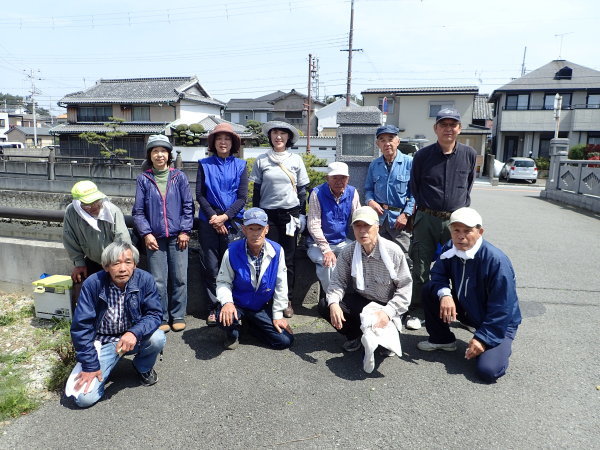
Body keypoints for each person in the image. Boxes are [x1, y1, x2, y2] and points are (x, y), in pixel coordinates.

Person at [417, 207, 522, 383]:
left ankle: (498, 344)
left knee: (488, 371)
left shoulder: (496, 261)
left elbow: (502, 308)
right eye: (456, 230)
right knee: (430, 290)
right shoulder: (450, 247)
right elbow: (438, 274)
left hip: (498, 321)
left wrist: (482, 339)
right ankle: (442, 340)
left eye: (467, 231)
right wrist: (445, 295)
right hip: (468, 307)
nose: (461, 236)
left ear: (480, 232)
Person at [68, 242, 166, 408]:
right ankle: (103, 364)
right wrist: (90, 365)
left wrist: (134, 333)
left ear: (134, 264)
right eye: (116, 263)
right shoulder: (93, 284)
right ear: (106, 267)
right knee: (83, 399)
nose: (122, 269)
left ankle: (142, 367)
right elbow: (81, 327)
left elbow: (155, 314)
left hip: (132, 338)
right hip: (102, 342)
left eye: (128, 262)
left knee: (157, 338)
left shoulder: (145, 280)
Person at [409, 108, 477, 317]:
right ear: (435, 128)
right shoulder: (422, 155)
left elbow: (468, 186)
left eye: (452, 125)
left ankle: (461, 310)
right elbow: (415, 186)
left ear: (459, 128)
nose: (448, 129)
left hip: (456, 220)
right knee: (420, 266)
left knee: (460, 264)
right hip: (427, 216)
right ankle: (419, 310)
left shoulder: (469, 154)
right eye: (444, 125)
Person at [319, 206, 411, 355]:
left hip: (387, 305)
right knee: (326, 304)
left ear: (377, 227)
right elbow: (337, 282)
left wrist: (387, 312)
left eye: (367, 226)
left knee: (384, 347)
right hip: (362, 301)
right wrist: (334, 303)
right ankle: (355, 335)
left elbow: (405, 289)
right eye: (358, 226)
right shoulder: (348, 251)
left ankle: (384, 337)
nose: (362, 231)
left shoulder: (393, 252)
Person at [132, 134, 194, 332]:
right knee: (158, 281)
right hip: (154, 238)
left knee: (180, 278)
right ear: (150, 156)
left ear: (169, 154)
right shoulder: (144, 179)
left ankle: (178, 315)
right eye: (155, 151)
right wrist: (146, 234)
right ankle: (162, 316)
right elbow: (138, 211)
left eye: (163, 151)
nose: (159, 155)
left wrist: (185, 230)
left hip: (179, 237)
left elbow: (188, 206)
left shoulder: (179, 177)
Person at [250, 121, 309, 318]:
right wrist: (255, 217)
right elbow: (257, 192)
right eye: (275, 133)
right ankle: (269, 298)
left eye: (283, 133)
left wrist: (301, 214)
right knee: (268, 257)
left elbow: (302, 191)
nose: (278, 137)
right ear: (270, 136)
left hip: (289, 214)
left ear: (289, 138)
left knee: (289, 258)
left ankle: (287, 299)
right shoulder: (261, 160)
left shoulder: (296, 160)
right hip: (268, 215)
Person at [215, 207, 293, 350]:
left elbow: (281, 285)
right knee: (223, 317)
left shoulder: (277, 251)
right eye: (251, 228)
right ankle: (233, 333)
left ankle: (249, 328)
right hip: (237, 304)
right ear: (244, 230)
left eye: (259, 228)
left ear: (267, 229)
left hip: (260, 306)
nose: (256, 233)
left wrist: (277, 315)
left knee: (285, 340)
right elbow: (223, 282)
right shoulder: (231, 251)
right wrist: (227, 303)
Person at [364, 124, 418, 329]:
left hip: (400, 219)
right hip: (379, 219)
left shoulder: (409, 162)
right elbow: (368, 189)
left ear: (397, 141)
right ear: (378, 143)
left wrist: (406, 213)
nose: (387, 143)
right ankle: (384, 304)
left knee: (404, 261)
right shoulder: (374, 165)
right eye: (382, 140)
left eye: (391, 139)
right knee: (380, 261)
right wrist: (370, 202)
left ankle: (405, 309)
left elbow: (415, 193)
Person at [196, 123, 248, 326]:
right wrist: (214, 218)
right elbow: (200, 194)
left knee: (233, 265)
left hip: (233, 221)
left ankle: (231, 304)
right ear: (213, 143)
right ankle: (213, 307)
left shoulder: (241, 165)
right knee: (210, 265)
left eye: (227, 139)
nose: (223, 142)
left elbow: (242, 197)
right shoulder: (204, 163)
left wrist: (225, 217)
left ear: (232, 143)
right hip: (209, 221)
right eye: (219, 139)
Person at [63, 180, 131, 283]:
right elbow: (70, 238)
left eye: (96, 201)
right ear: (78, 204)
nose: (94, 206)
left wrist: (119, 265)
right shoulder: (72, 212)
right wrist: (79, 263)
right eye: (88, 205)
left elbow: (122, 241)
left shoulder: (113, 211)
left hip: (115, 260)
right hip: (92, 259)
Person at [307, 161, 360, 294]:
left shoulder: (352, 192)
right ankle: (333, 299)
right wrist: (326, 250)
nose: (339, 181)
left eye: (343, 177)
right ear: (327, 178)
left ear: (348, 179)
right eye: (335, 178)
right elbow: (313, 224)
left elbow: (358, 219)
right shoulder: (317, 193)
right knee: (328, 263)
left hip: (342, 241)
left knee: (361, 258)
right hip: (317, 244)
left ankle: (356, 297)